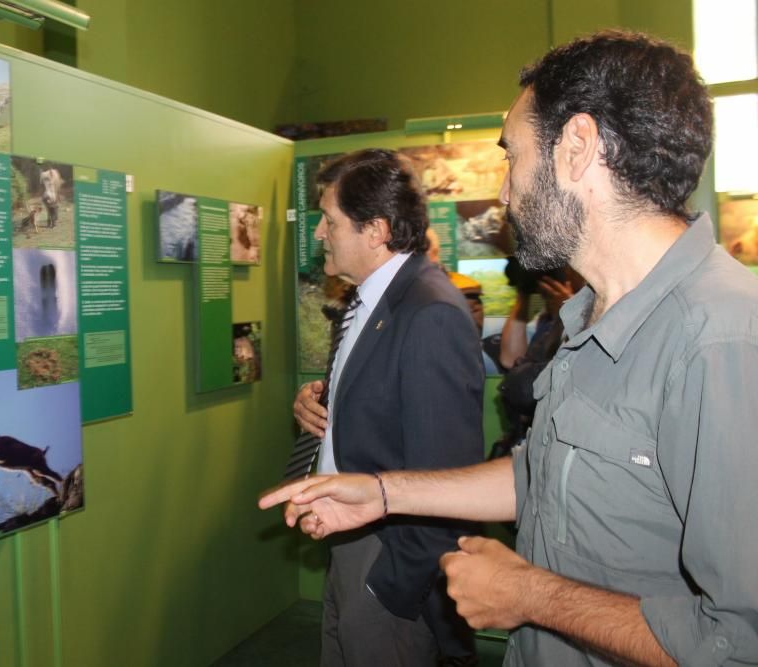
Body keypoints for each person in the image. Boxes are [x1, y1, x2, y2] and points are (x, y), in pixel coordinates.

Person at [264, 31, 758, 666]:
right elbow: (541, 475)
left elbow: (740, 640)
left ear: (577, 148)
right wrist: (383, 493)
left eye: (512, 156)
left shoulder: (721, 339)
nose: (503, 193)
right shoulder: (593, 317)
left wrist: (531, 595)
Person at [292, 148, 485, 666]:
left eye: (329, 221)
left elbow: (447, 470)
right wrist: (318, 402)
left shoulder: (428, 314)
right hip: (351, 538)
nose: (317, 233)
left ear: (374, 230)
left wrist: (393, 586)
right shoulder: (373, 299)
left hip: (387, 556)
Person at [484, 257, 578, 459]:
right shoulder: (547, 318)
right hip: (530, 434)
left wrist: (569, 312)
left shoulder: (588, 317)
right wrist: (523, 294)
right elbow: (510, 359)